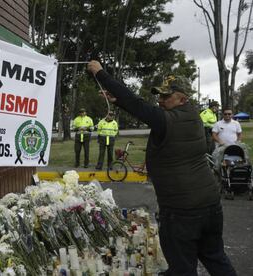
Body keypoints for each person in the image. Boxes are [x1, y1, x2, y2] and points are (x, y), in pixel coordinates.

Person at [87, 60, 236, 276]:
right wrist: (118, 102)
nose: (160, 100)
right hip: (210, 205)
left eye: (167, 96)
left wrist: (101, 74)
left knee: (182, 269)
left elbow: (137, 104)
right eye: (159, 95)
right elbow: (139, 108)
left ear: (182, 98)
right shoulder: (193, 115)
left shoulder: (168, 119)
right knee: (216, 258)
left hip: (181, 212)